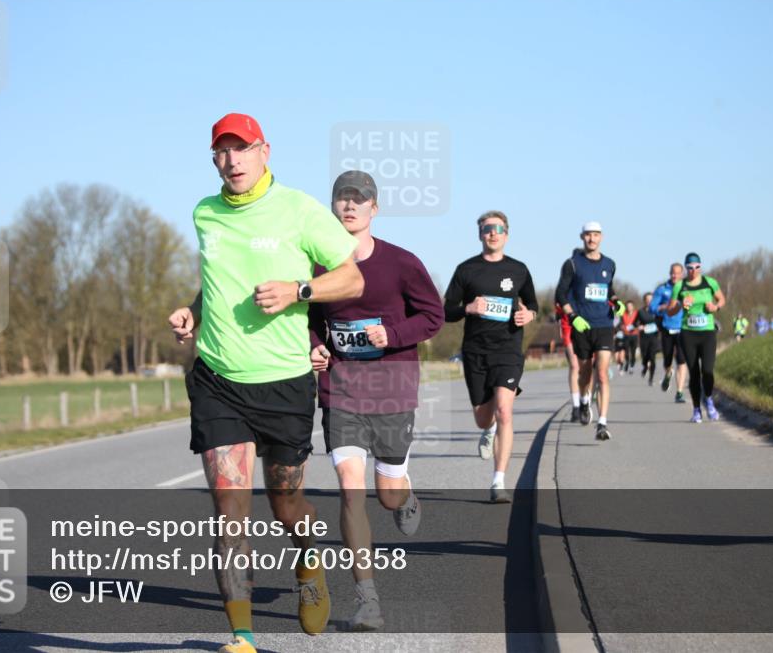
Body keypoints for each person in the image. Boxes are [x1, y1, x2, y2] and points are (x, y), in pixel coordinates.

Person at [168, 113, 364, 653]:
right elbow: (216, 282)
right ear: (214, 159)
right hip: (218, 380)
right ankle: (242, 637)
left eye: (242, 148)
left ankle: (308, 560)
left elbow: (352, 278)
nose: (232, 160)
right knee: (230, 511)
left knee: (286, 505)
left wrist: (299, 290)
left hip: (284, 383)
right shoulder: (205, 213)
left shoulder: (299, 210)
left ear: (264, 151)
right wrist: (193, 312)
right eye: (222, 151)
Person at [308, 170, 443, 630]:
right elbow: (308, 317)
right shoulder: (318, 267)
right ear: (332, 207)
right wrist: (315, 346)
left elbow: (433, 316)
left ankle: (404, 495)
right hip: (341, 389)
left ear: (374, 208)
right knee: (350, 489)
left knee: (387, 495)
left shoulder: (401, 263)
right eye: (342, 199)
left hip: (392, 389)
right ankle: (367, 598)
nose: (350, 206)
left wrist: (393, 334)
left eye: (359, 199)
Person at [444, 211, 538, 502]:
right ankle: (490, 428)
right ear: (480, 235)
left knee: (505, 410)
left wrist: (529, 315)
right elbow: (446, 310)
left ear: (506, 234)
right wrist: (468, 309)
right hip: (475, 351)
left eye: (498, 228)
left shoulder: (519, 270)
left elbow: (533, 305)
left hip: (508, 349)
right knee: (482, 419)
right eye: (487, 229)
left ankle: (498, 481)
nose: (493, 233)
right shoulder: (466, 270)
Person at [555, 221, 622, 441]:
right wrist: (573, 317)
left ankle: (602, 423)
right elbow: (560, 294)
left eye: (596, 235)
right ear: (582, 237)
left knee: (602, 372)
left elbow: (608, 288)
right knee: (585, 372)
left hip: (604, 324)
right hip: (582, 325)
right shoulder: (572, 264)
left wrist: (616, 301)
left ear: (601, 237)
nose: (592, 239)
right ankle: (584, 401)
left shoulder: (610, 264)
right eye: (588, 235)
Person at [665, 252, 726, 423]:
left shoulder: (709, 282)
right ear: (686, 268)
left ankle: (709, 400)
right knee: (694, 372)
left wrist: (715, 307)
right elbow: (670, 311)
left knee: (707, 370)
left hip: (707, 333)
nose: (694, 270)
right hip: (688, 333)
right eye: (690, 267)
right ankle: (696, 409)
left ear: (700, 266)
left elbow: (721, 299)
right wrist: (680, 306)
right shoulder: (680, 286)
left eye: (697, 267)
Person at [650, 263, 689, 403]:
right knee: (667, 359)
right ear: (669, 273)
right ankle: (668, 373)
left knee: (682, 360)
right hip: (667, 328)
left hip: (683, 328)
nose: (674, 275)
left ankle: (679, 392)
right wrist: (663, 307)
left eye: (677, 273)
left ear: (682, 274)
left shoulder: (687, 288)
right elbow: (652, 308)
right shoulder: (662, 289)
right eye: (672, 273)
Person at [556, 302, 582, 422]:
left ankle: (585, 400)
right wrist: (560, 328)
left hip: (585, 326)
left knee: (586, 366)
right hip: (568, 329)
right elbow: (558, 313)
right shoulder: (562, 293)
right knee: (574, 366)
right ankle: (576, 406)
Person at [635, 292, 661, 386]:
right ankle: (645, 367)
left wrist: (659, 327)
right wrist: (639, 326)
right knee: (645, 357)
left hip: (654, 337)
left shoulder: (657, 311)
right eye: (647, 300)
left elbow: (661, 321)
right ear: (644, 301)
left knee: (652, 358)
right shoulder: (640, 312)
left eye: (651, 300)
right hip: (644, 338)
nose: (649, 301)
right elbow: (635, 323)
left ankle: (651, 378)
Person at [620, 301, 640, 375]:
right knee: (626, 351)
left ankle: (632, 366)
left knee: (633, 351)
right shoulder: (623, 314)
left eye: (630, 306)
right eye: (628, 306)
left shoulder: (637, 313)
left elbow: (640, 322)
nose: (629, 307)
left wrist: (637, 326)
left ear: (633, 307)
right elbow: (621, 324)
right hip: (626, 335)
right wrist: (622, 327)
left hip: (634, 335)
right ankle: (627, 362)